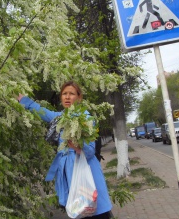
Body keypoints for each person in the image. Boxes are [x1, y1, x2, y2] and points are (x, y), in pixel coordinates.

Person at [17, 81, 112, 218]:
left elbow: (91, 151)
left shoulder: (85, 118)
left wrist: (78, 146)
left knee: (95, 210)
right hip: (71, 175)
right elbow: (43, 112)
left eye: (71, 94)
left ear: (79, 98)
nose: (67, 97)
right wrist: (24, 101)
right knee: (81, 212)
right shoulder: (60, 118)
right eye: (64, 94)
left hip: (86, 173)